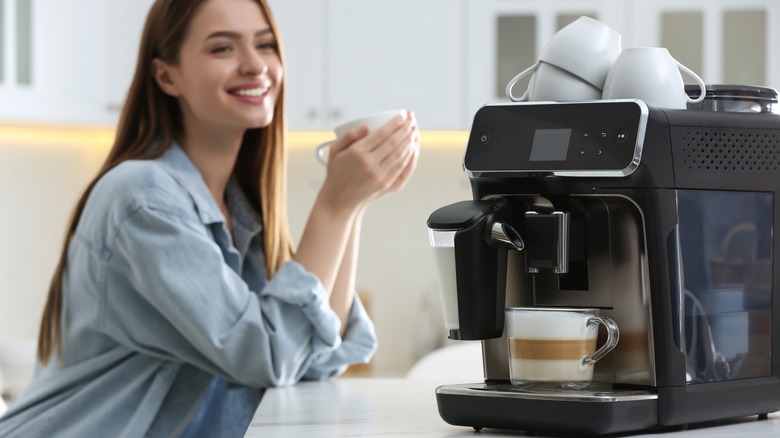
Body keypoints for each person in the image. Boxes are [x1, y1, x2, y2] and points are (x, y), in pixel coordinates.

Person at [0, 0, 419, 435]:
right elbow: (269, 355)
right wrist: (335, 204)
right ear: (167, 76)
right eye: (223, 49)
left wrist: (354, 203)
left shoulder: (238, 212)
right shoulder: (142, 199)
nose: (256, 65)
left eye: (266, 45)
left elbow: (314, 358)